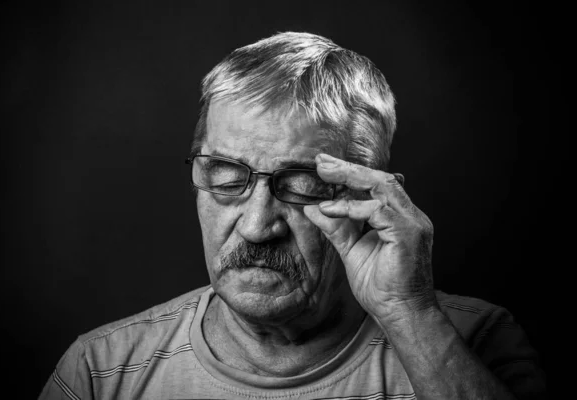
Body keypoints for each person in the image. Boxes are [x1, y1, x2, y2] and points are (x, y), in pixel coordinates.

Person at [39, 32, 545, 399]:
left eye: (300, 186)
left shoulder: (476, 341)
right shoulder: (102, 372)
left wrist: (408, 313)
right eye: (227, 176)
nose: (259, 226)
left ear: (367, 195)